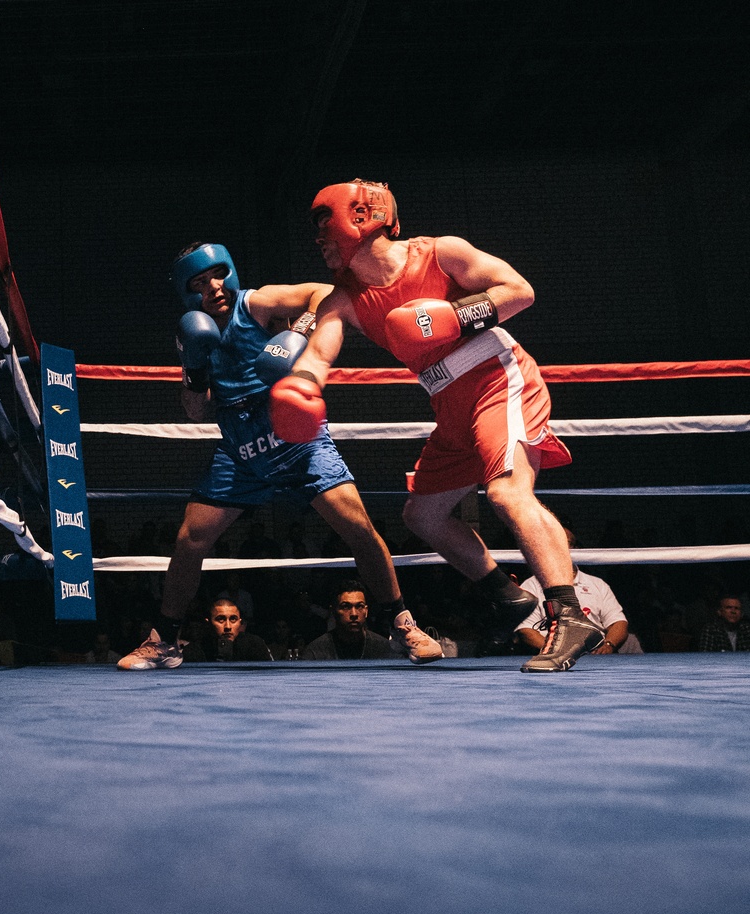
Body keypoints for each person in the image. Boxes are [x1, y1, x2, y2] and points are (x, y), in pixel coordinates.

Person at [270, 178, 604, 674]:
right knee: (422, 515)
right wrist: (300, 387)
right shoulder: (344, 299)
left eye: (325, 225)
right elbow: (320, 353)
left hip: (497, 377)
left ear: (360, 218)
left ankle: (571, 613)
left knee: (508, 494)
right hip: (447, 399)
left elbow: (520, 290)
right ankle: (507, 596)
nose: (318, 240)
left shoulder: (440, 252)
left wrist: (451, 316)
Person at [118, 240, 442, 669]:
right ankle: (164, 641)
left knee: (358, 527)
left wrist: (297, 333)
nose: (213, 287)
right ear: (187, 292)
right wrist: (195, 369)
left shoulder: (256, 303)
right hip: (241, 450)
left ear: (229, 272)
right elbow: (196, 410)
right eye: (200, 283)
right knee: (189, 539)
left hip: (295, 438)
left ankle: (402, 625)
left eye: (217, 275)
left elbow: (323, 294)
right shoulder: (193, 334)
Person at [516, 529, 631, 656]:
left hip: (596, 656)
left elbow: (618, 622)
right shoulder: (531, 585)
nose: (559, 547)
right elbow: (525, 630)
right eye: (553, 542)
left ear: (575, 548)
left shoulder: (597, 584)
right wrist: (558, 652)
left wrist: (609, 645)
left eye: (565, 543)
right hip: (550, 656)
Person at [299, 580, 394, 660]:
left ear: (366, 611)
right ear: (333, 611)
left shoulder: (384, 648)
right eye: (345, 607)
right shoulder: (316, 651)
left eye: (359, 606)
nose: (354, 614)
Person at [182, 596, 272, 662]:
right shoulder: (195, 649)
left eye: (233, 619)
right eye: (221, 619)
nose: (228, 627)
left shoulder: (254, 645)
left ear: (240, 622)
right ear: (208, 623)